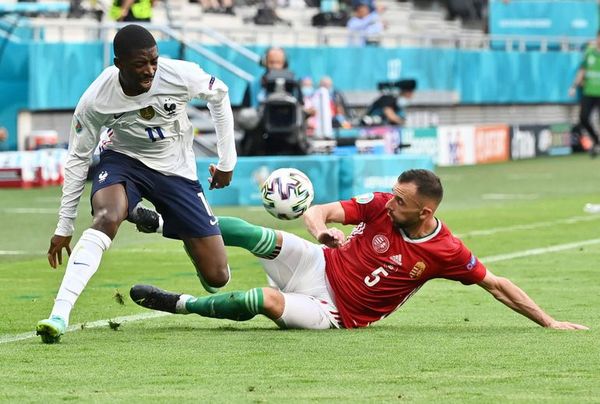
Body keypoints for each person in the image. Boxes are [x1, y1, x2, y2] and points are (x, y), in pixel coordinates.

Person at [129, 169, 588, 331]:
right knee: (254, 234)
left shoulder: (445, 250)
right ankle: (163, 223)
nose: (391, 202)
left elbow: (496, 285)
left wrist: (547, 320)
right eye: (393, 194)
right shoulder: (380, 205)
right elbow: (321, 211)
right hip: (321, 261)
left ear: (425, 212)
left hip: (335, 311)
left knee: (261, 300)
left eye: (402, 201)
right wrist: (320, 230)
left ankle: (181, 305)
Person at [35, 24, 237, 344]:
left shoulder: (179, 74)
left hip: (176, 169)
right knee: (107, 217)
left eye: (154, 61)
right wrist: (64, 225)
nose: (150, 70)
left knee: (217, 277)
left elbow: (220, 94)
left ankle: (158, 223)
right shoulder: (96, 100)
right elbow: (77, 158)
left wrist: (227, 162)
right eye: (140, 64)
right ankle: (59, 314)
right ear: (119, 64)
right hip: (123, 162)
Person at [569, 32, 600, 157]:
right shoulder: (589, 52)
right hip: (589, 92)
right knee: (583, 118)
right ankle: (596, 141)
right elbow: (582, 71)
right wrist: (574, 86)